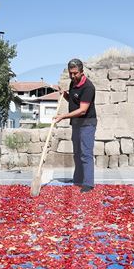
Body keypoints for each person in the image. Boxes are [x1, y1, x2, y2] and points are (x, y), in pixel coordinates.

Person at [54, 58, 97, 192]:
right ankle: (78, 179)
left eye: (75, 73)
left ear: (82, 72)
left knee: (86, 153)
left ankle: (88, 184)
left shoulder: (88, 87)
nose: (73, 76)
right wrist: (65, 94)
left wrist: (62, 116)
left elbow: (83, 109)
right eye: (70, 73)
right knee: (77, 153)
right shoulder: (73, 83)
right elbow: (73, 100)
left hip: (87, 123)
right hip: (76, 123)